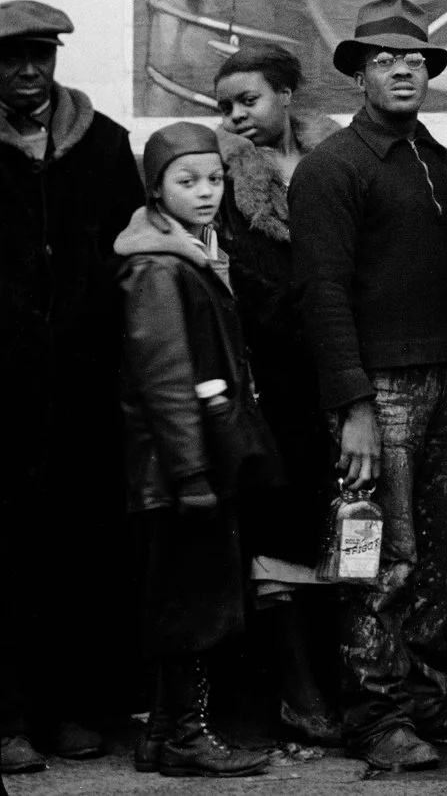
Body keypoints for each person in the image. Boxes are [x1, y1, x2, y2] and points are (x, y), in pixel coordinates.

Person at [290, 0, 447, 772]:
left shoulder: (434, 158)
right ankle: (373, 713)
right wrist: (355, 410)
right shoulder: (332, 169)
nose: (403, 69)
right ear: (359, 74)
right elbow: (323, 295)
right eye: (384, 59)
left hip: (442, 376)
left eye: (416, 59)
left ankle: (424, 692)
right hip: (378, 388)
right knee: (379, 554)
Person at [0, 0, 143, 775]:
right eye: (12, 57)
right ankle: (8, 719)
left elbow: (128, 259)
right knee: (7, 554)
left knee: (76, 549)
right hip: (5, 394)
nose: (28, 70)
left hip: (84, 389)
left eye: (39, 55)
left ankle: (65, 711)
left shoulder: (106, 146)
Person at [119, 122, 277, 779]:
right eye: (188, 181)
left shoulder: (192, 252)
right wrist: (189, 472)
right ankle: (186, 734)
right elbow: (164, 378)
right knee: (193, 605)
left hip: (190, 466)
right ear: (156, 188)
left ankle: (164, 733)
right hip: (180, 470)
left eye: (214, 178)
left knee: (186, 599)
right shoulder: (158, 266)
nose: (207, 191)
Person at [212, 44, 346, 746]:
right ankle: (298, 690)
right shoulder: (229, 185)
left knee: (348, 525)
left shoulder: (334, 161)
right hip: (276, 383)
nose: (237, 113)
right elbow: (249, 289)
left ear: (288, 93)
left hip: (344, 375)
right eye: (227, 103)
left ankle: (347, 676)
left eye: (250, 97)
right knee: (279, 526)